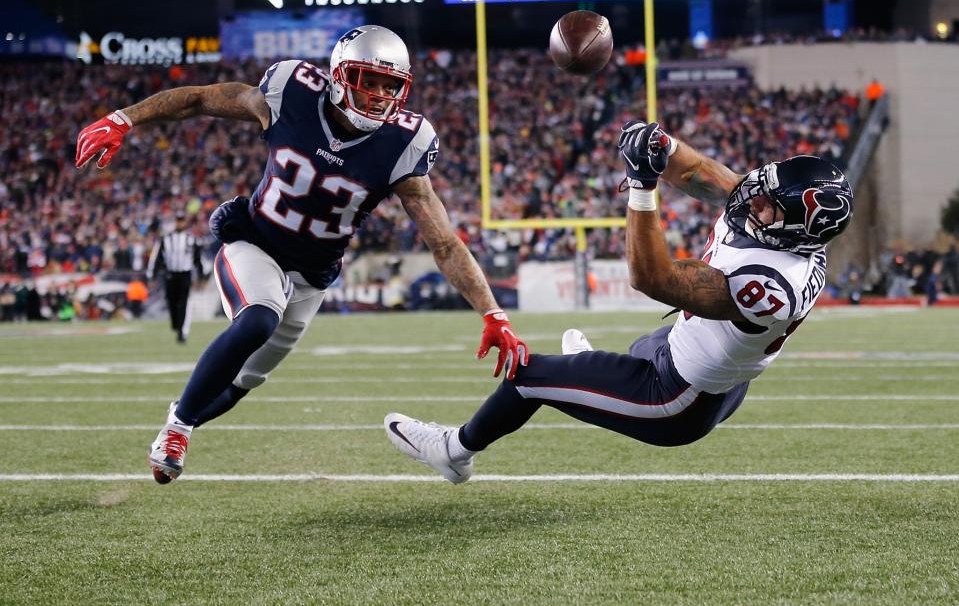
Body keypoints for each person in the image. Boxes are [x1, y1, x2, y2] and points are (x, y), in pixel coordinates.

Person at [75, 25, 529, 483]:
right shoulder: (291, 92)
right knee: (257, 319)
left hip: (314, 274)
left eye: (390, 85)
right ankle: (176, 430)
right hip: (256, 241)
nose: (377, 95)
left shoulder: (403, 143)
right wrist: (123, 119)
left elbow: (445, 242)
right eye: (367, 80)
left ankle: (182, 418)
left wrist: (494, 314)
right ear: (338, 75)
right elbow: (200, 99)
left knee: (241, 383)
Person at [384, 120, 854, 483]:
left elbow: (653, 278)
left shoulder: (772, 284)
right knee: (638, 347)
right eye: (761, 190)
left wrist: (642, 187)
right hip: (688, 355)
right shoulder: (773, 218)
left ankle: (454, 451)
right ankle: (587, 374)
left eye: (769, 205)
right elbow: (700, 173)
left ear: (797, 230)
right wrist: (663, 147)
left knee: (527, 377)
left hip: (678, 399)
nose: (754, 201)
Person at [146, 212, 205, 343]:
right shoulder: (165, 239)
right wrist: (152, 277)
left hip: (185, 275)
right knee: (171, 301)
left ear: (185, 222)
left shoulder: (192, 239)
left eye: (182, 220)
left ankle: (181, 332)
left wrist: (200, 277)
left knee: (183, 303)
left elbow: (197, 260)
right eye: (178, 220)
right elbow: (156, 259)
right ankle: (176, 324)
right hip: (170, 274)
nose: (180, 223)